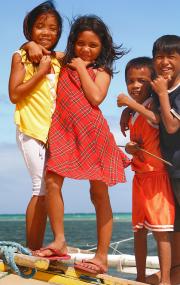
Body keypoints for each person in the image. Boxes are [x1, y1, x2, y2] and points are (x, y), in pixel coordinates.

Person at [34, 15, 130, 273]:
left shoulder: (101, 71)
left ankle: (101, 257)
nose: (85, 49)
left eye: (93, 46)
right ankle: (59, 240)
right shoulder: (64, 61)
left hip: (93, 134)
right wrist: (30, 47)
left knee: (98, 194)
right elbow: (39, 49)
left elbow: (96, 97)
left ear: (103, 49)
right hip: (64, 131)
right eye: (80, 43)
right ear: (73, 42)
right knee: (52, 181)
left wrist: (79, 68)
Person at [9, 1, 63, 251]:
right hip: (31, 129)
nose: (46, 33)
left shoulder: (57, 59)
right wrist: (40, 71)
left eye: (52, 28)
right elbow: (14, 94)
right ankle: (31, 250)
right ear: (29, 29)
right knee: (39, 186)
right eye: (40, 27)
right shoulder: (20, 56)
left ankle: (38, 247)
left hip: (53, 133)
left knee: (47, 190)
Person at [117, 57, 175, 285]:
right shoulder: (132, 114)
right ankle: (140, 277)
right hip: (139, 178)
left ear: (152, 82)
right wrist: (131, 148)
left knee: (162, 232)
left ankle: (166, 280)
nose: (135, 85)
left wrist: (130, 105)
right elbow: (138, 145)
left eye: (142, 80)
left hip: (157, 178)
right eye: (130, 81)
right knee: (138, 231)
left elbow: (156, 120)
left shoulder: (153, 104)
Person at [146, 35, 180, 285]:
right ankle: (176, 273)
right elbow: (153, 115)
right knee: (176, 225)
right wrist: (128, 110)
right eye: (159, 57)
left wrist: (163, 94)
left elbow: (170, 126)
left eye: (171, 56)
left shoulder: (172, 92)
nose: (164, 62)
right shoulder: (160, 90)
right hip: (170, 170)